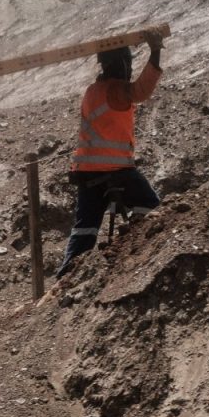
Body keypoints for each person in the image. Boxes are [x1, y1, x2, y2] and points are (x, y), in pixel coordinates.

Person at [57, 31, 164, 276]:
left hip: (86, 174)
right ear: (122, 63)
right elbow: (142, 90)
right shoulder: (117, 90)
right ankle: (137, 254)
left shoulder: (92, 91)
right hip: (117, 171)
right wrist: (156, 51)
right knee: (151, 207)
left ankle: (65, 279)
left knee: (85, 229)